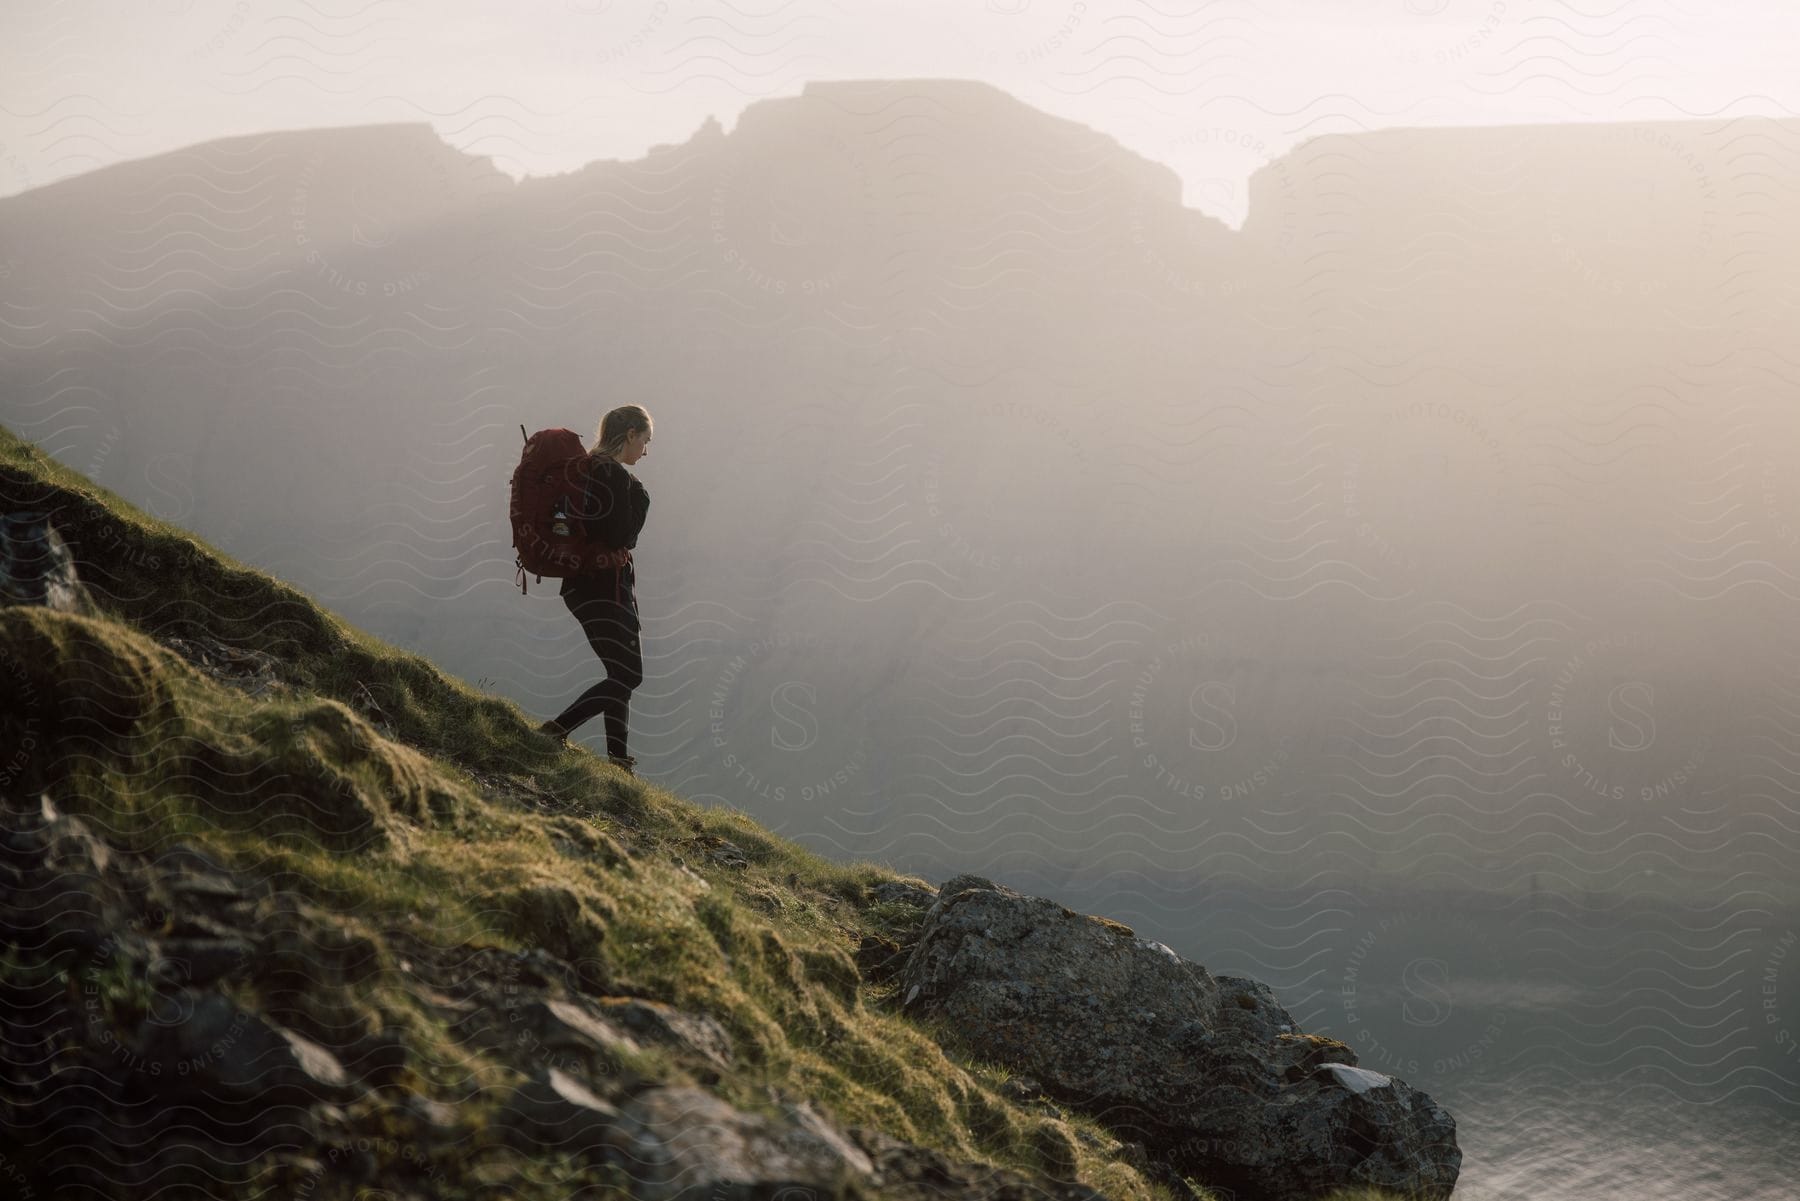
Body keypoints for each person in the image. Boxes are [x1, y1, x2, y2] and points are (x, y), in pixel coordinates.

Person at [536, 405, 652, 773]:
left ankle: (618, 762)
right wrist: (641, 502)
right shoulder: (614, 475)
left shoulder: (586, 467)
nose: (645, 451)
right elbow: (621, 536)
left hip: (580, 586)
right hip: (603, 587)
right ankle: (555, 730)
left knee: (619, 674)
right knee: (629, 675)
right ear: (630, 434)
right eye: (645, 441)